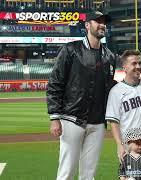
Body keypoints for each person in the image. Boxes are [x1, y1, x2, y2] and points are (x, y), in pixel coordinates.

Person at [46, 11, 116, 180]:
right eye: (98, 21)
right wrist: (55, 117)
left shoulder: (110, 56)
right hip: (72, 118)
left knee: (89, 173)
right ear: (87, 25)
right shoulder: (71, 49)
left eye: (104, 22)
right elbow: (55, 83)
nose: (102, 25)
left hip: (98, 123)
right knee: (67, 171)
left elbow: (109, 88)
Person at [105, 50, 141, 179]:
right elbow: (114, 122)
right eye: (134, 63)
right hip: (131, 153)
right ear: (125, 67)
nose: (138, 66)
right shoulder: (116, 92)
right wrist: (119, 145)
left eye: (140, 63)